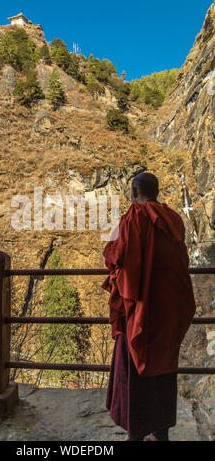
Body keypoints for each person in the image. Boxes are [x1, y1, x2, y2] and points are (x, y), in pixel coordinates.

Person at [102, 172, 196, 441]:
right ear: (155, 191)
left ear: (134, 192)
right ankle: (162, 430)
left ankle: (136, 432)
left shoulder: (133, 218)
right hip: (168, 310)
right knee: (164, 365)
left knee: (135, 364)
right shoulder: (174, 219)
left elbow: (115, 255)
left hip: (140, 311)